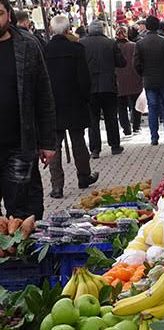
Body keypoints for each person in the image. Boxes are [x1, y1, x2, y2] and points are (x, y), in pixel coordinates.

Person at [0, 0, 56, 218]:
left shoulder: (27, 44)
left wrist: (48, 142)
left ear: (9, 15)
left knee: (24, 211)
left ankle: (26, 252)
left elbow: (44, 95)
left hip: (19, 146)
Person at [44, 15, 99, 199]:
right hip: (74, 103)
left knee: (54, 145)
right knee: (78, 141)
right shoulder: (76, 49)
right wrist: (85, 98)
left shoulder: (45, 50)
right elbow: (84, 78)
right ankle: (84, 176)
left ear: (52, 30)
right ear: (68, 29)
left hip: (53, 105)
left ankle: (57, 186)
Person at [80, 19, 126, 159]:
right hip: (108, 86)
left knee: (92, 120)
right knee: (111, 117)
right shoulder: (110, 43)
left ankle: (95, 149)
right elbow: (121, 62)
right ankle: (115, 146)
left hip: (90, 87)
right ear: (102, 29)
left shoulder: (82, 44)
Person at [134, 15, 164, 145]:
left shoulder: (140, 44)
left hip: (149, 80)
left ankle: (154, 137)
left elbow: (136, 63)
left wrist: (143, 74)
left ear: (146, 27)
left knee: (152, 108)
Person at [115, 25, 143, 135]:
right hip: (134, 78)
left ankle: (126, 128)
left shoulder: (113, 47)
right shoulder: (134, 46)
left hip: (119, 81)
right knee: (136, 104)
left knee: (121, 107)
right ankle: (136, 126)